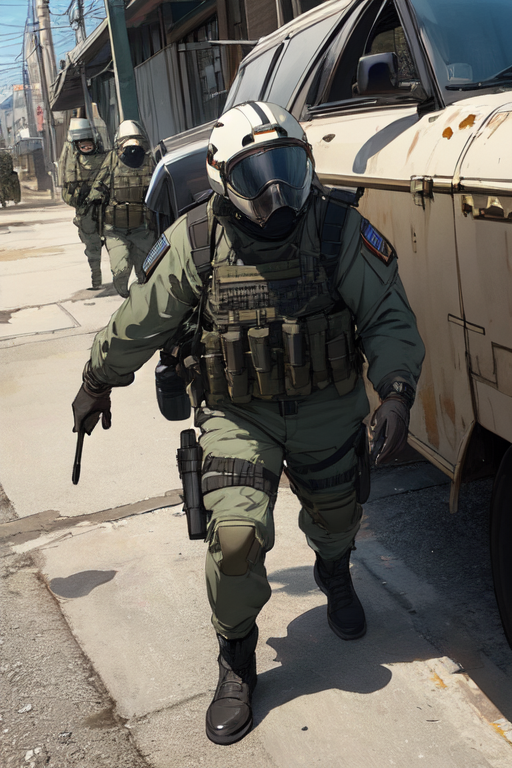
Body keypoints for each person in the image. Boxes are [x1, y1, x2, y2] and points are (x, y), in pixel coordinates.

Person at [71, 102, 425, 746]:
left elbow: (387, 316)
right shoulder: (197, 240)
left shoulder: (336, 228)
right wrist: (98, 378)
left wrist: (397, 392)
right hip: (238, 413)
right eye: (256, 176)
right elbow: (141, 319)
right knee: (234, 539)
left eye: (286, 168)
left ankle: (335, 571)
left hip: (325, 404)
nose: (275, 192)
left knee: (338, 515)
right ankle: (236, 658)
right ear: (221, 178)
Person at [88, 120, 156, 298]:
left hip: (142, 228)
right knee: (121, 270)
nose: (132, 149)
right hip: (115, 230)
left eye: (136, 144)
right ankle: (126, 296)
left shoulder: (150, 163)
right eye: (128, 145)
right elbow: (97, 188)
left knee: (147, 271)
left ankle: (142, 303)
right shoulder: (111, 162)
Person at [58, 118, 106, 289]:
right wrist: (78, 199)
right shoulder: (72, 163)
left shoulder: (105, 159)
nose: (86, 149)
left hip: (105, 207)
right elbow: (66, 190)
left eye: (89, 145)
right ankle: (96, 280)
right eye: (82, 146)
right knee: (92, 247)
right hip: (85, 211)